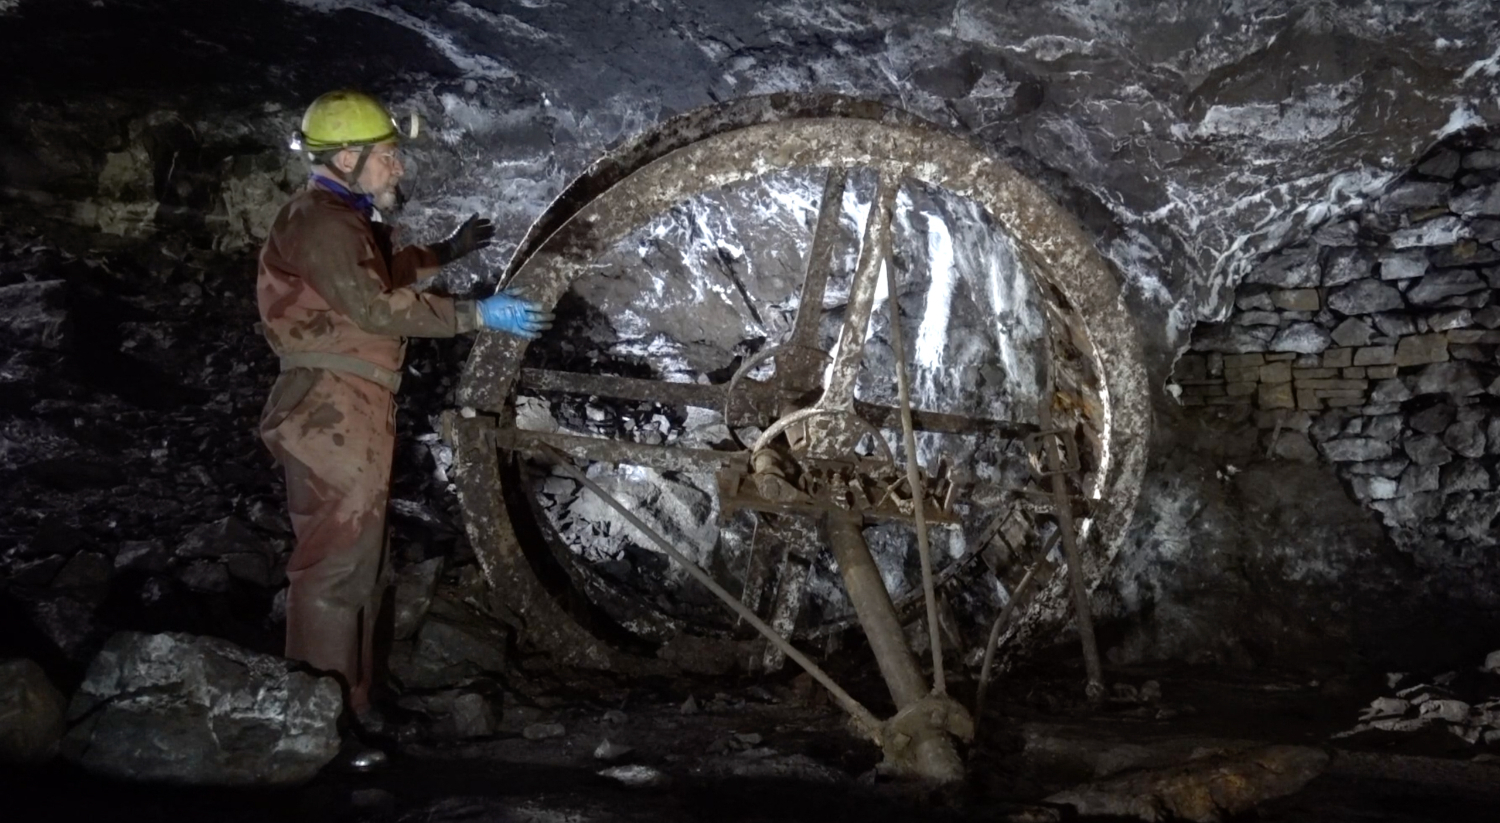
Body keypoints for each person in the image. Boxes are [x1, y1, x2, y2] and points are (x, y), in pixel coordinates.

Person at [256, 90, 551, 768]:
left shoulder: (337, 219)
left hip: (348, 404)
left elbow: (380, 273)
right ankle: (322, 727)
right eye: (387, 156)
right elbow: (376, 305)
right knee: (334, 567)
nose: (397, 168)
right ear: (350, 158)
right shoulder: (323, 222)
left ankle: (352, 708)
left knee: (357, 562)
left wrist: (446, 252)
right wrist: (476, 314)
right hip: (329, 407)